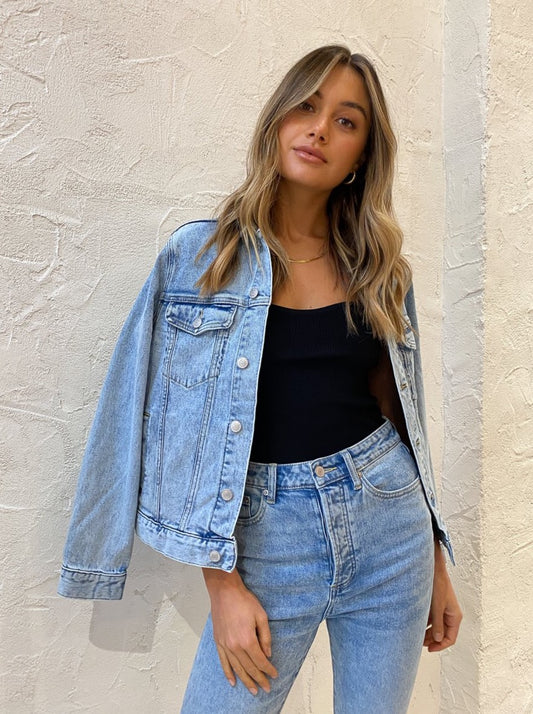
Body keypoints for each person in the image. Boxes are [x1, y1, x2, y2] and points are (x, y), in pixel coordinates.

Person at [58, 45, 462, 713]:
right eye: (306, 107)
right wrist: (220, 585)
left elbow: (400, 414)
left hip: (391, 529)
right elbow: (133, 412)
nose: (319, 130)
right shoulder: (199, 258)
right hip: (266, 539)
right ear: (277, 121)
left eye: (345, 121)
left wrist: (436, 560)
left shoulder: (381, 268)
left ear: (361, 156)